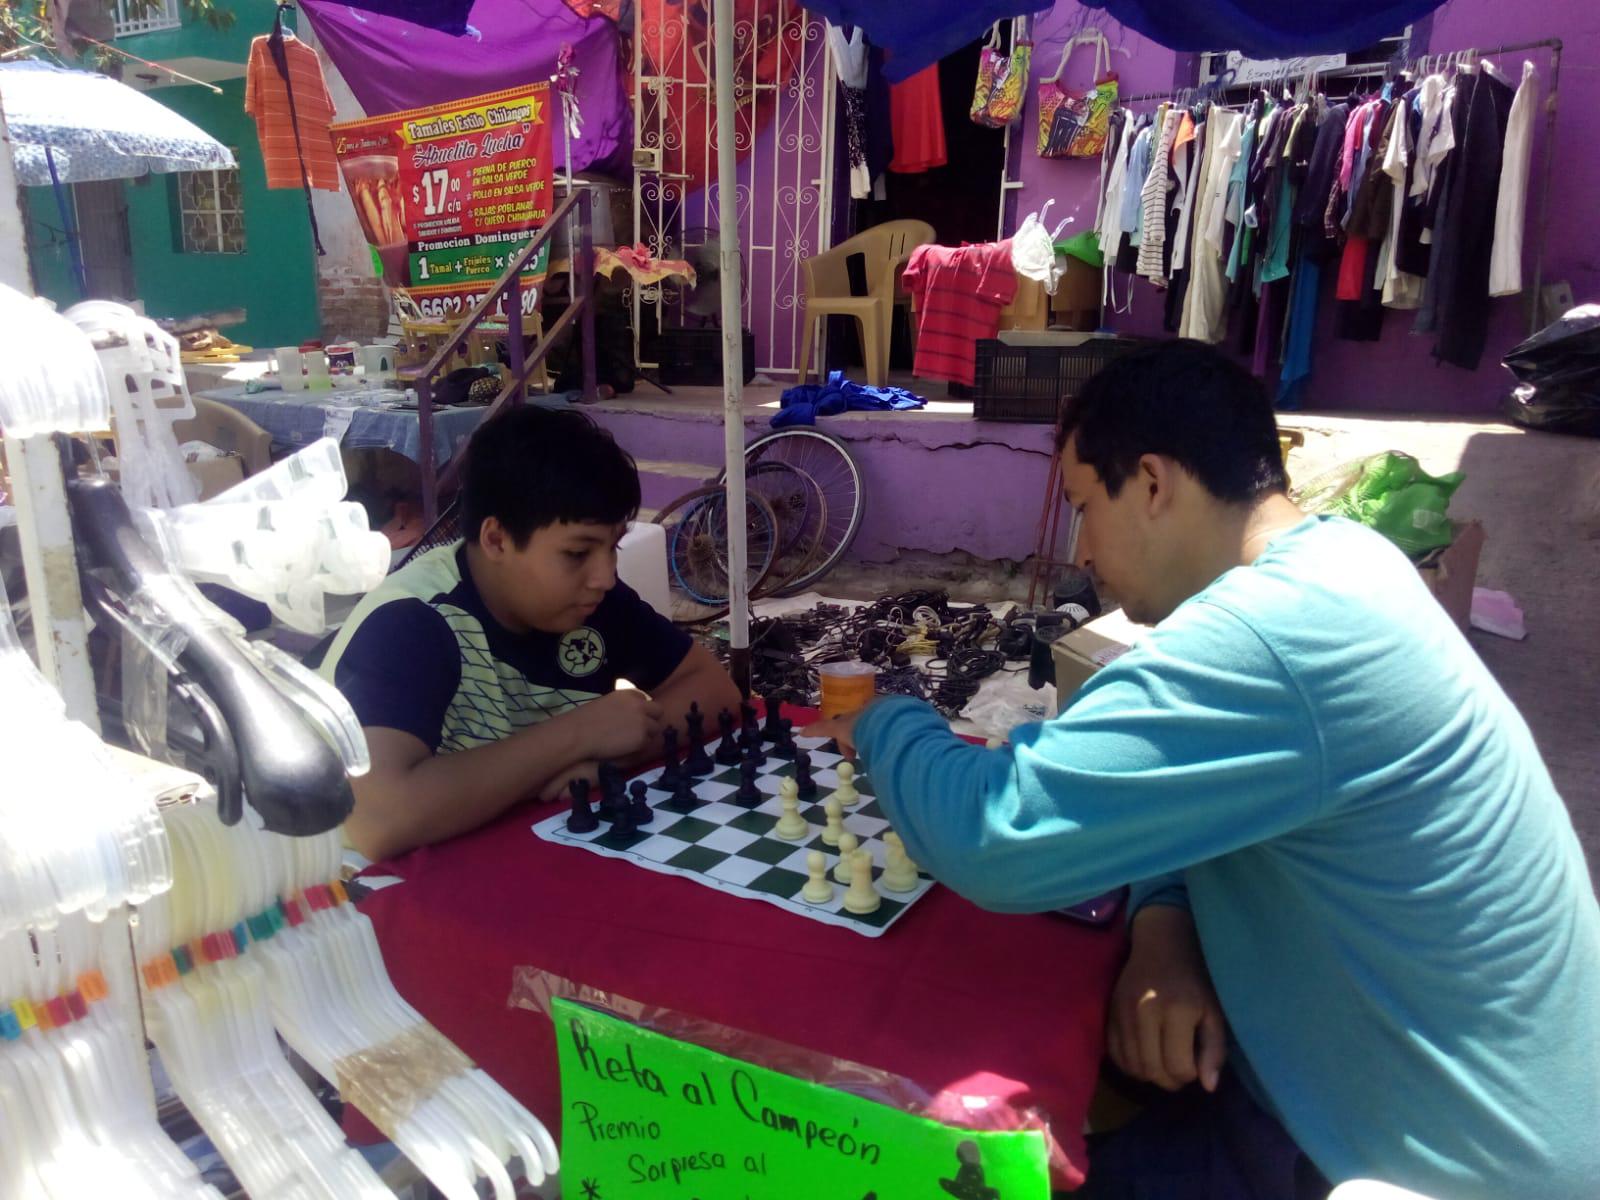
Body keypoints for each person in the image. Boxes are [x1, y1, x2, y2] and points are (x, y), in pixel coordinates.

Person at [812, 340, 1600, 1200]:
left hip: (1424, 1166)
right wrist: (1165, 927)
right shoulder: (1345, 560)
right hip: (1343, 1101)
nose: (1080, 549)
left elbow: (995, 831)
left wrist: (883, 719)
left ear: (1152, 484)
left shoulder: (1268, 636)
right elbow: (1206, 797)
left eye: (1083, 506)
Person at [322, 405, 739, 860]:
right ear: (497, 540)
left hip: (519, 860)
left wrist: (612, 757)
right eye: (578, 553)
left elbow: (714, 689)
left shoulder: (591, 599)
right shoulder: (412, 622)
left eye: (613, 546)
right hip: (361, 898)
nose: (605, 574)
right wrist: (576, 735)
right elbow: (376, 820)